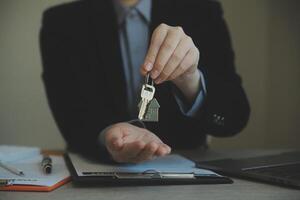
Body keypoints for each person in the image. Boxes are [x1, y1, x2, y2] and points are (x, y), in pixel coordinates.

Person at [40, 0, 250, 163]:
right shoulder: (61, 23)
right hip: (96, 171)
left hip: (186, 174)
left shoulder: (202, 11)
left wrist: (190, 80)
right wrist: (106, 137)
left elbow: (234, 116)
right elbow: (70, 115)